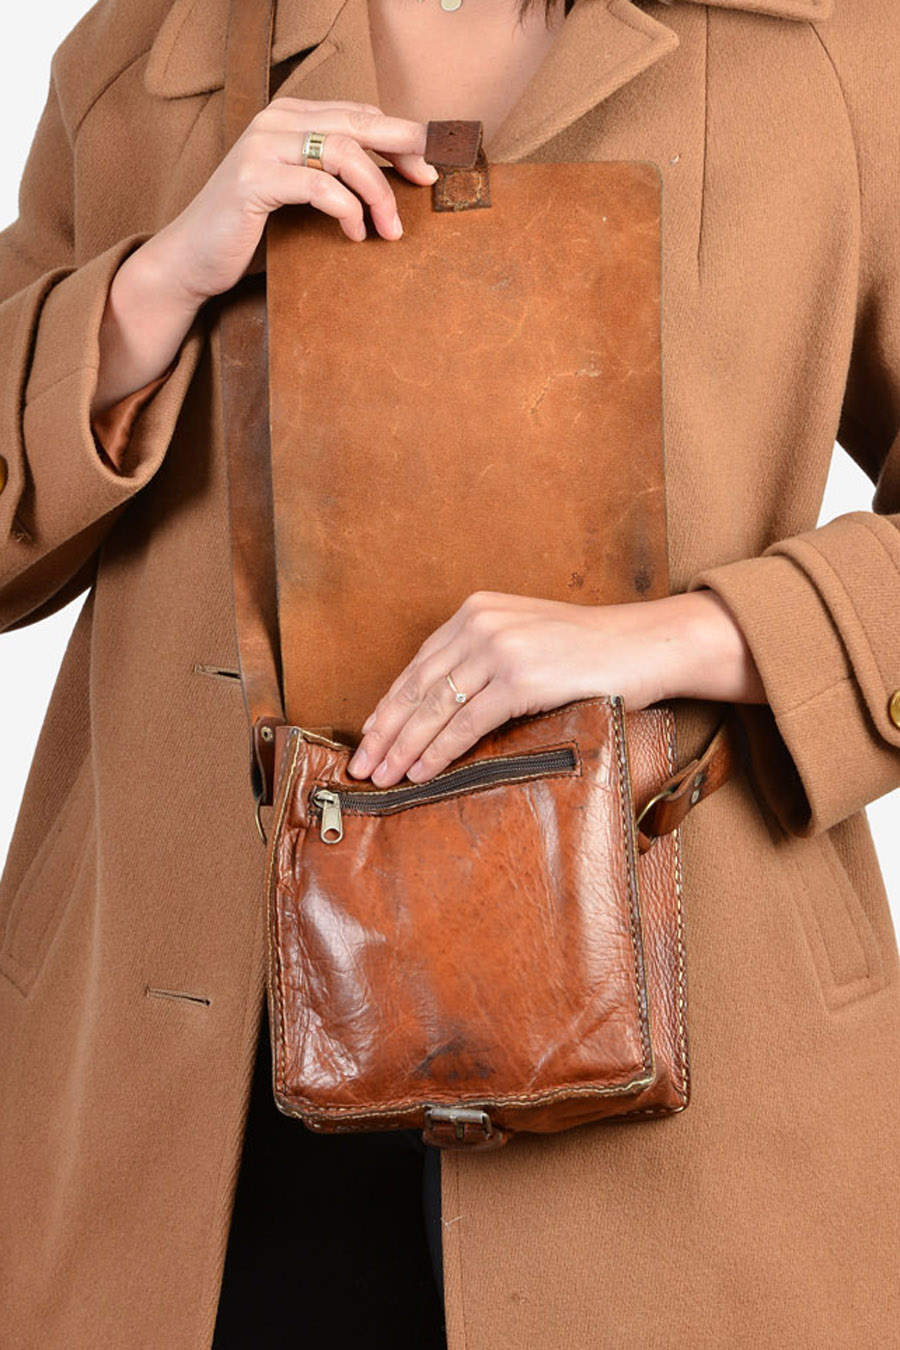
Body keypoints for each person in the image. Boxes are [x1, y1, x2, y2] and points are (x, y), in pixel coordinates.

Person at [1, 0, 899, 1345]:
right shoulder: (145, 57)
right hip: (186, 1104)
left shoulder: (829, 52)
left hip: (693, 1083)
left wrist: (688, 633)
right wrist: (154, 287)